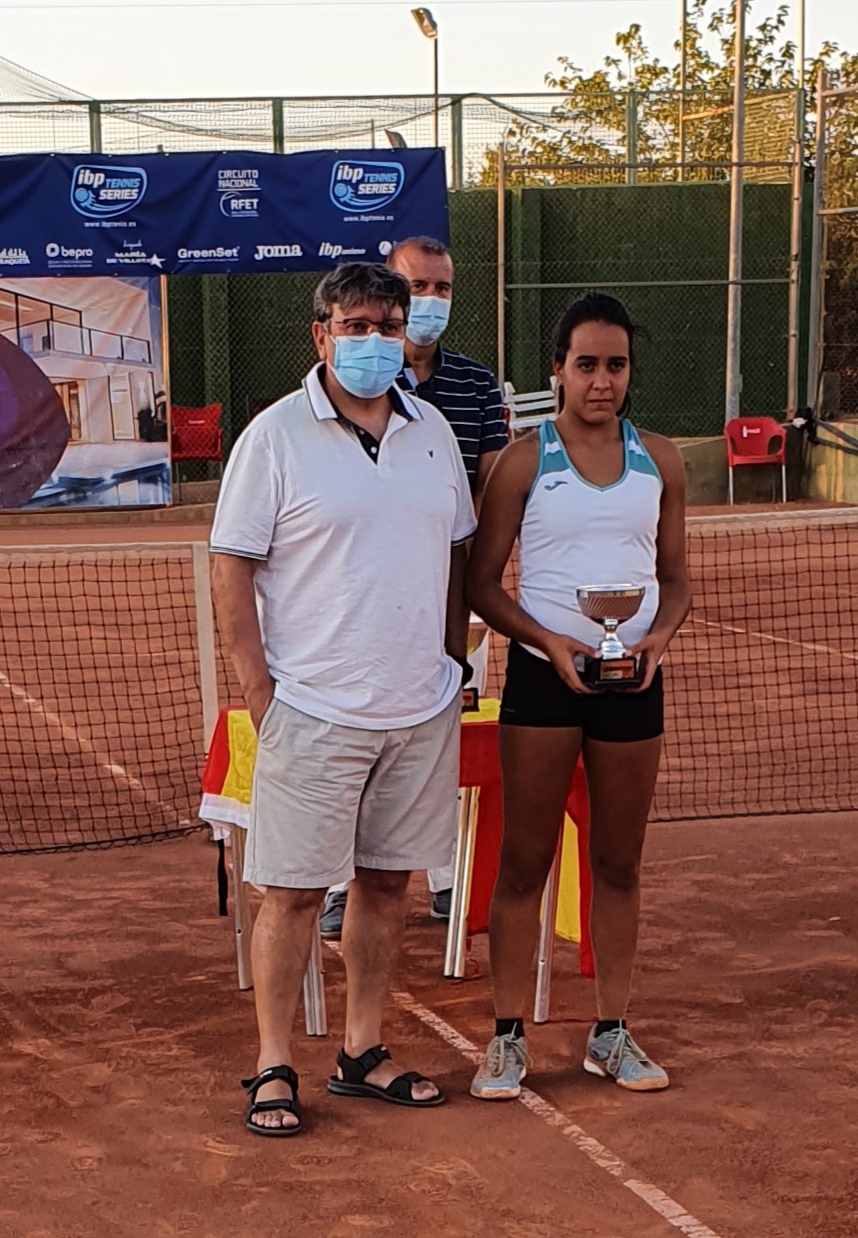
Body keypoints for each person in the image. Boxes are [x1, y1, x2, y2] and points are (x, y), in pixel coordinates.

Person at [211, 262, 476, 1135]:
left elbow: (459, 554)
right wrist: (259, 688)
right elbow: (233, 564)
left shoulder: (432, 430)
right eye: (355, 325)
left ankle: (361, 1050)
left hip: (417, 707)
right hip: (312, 707)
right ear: (320, 335)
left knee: (385, 882)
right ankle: (272, 1063)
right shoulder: (274, 436)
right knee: (288, 892)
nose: (373, 341)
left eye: (387, 326)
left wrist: (448, 662)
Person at [464, 292, 690, 1098]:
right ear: (555, 369)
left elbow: (673, 580)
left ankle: (611, 1032)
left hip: (630, 686)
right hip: (541, 679)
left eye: (615, 365)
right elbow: (482, 586)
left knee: (618, 862)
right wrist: (548, 643)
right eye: (585, 363)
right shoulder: (522, 462)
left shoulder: (660, 460)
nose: (600, 380)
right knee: (525, 860)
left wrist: (654, 643)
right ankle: (505, 1037)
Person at [321, 235, 508, 938]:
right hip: (360, 610)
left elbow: (493, 486)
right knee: (355, 747)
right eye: (416, 287)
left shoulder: (474, 385)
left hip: (452, 597)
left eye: (441, 287)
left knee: (449, 737)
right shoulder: (348, 384)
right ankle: (340, 884)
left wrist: (472, 592)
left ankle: (449, 882)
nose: (429, 301)